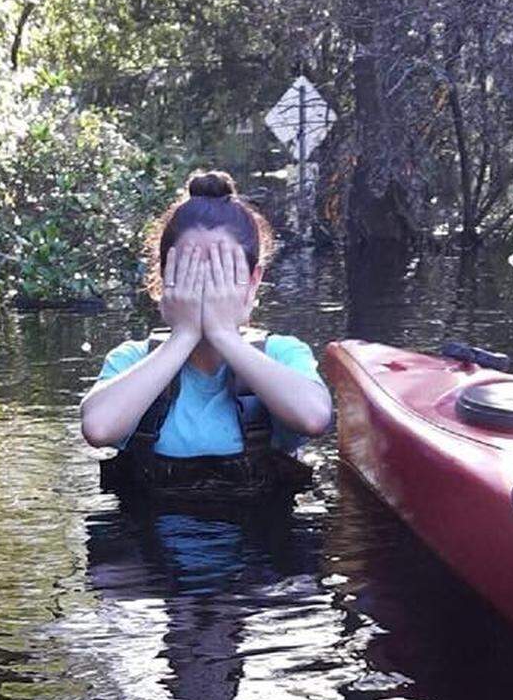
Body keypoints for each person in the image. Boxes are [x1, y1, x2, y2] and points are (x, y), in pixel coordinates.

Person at [81, 170, 333, 505]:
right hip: (149, 537)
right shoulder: (132, 360)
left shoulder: (282, 354)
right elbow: (98, 428)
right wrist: (184, 335)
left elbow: (315, 418)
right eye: (191, 270)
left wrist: (223, 335)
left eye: (221, 270)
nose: (206, 286)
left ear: (253, 280)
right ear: (163, 278)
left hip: (261, 536)